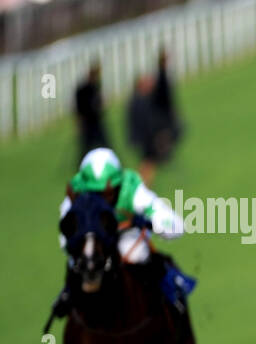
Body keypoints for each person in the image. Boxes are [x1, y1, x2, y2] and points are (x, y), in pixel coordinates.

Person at [51, 147, 193, 320]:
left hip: (125, 237)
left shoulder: (132, 188)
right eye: (95, 193)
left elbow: (173, 223)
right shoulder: (76, 191)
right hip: (93, 244)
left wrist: (153, 222)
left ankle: (169, 292)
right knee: (81, 258)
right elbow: (64, 238)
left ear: (118, 185)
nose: (101, 200)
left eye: (107, 194)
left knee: (136, 253)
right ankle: (68, 293)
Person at [126, 50, 183, 186]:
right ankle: (141, 186)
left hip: (145, 137)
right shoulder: (139, 101)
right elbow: (142, 122)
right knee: (148, 162)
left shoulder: (140, 99)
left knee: (149, 162)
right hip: (145, 138)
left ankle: (142, 185)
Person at [74, 61, 109, 162]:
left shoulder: (96, 86)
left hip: (96, 122)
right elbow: (79, 109)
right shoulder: (83, 89)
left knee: (105, 144)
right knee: (85, 148)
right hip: (88, 123)